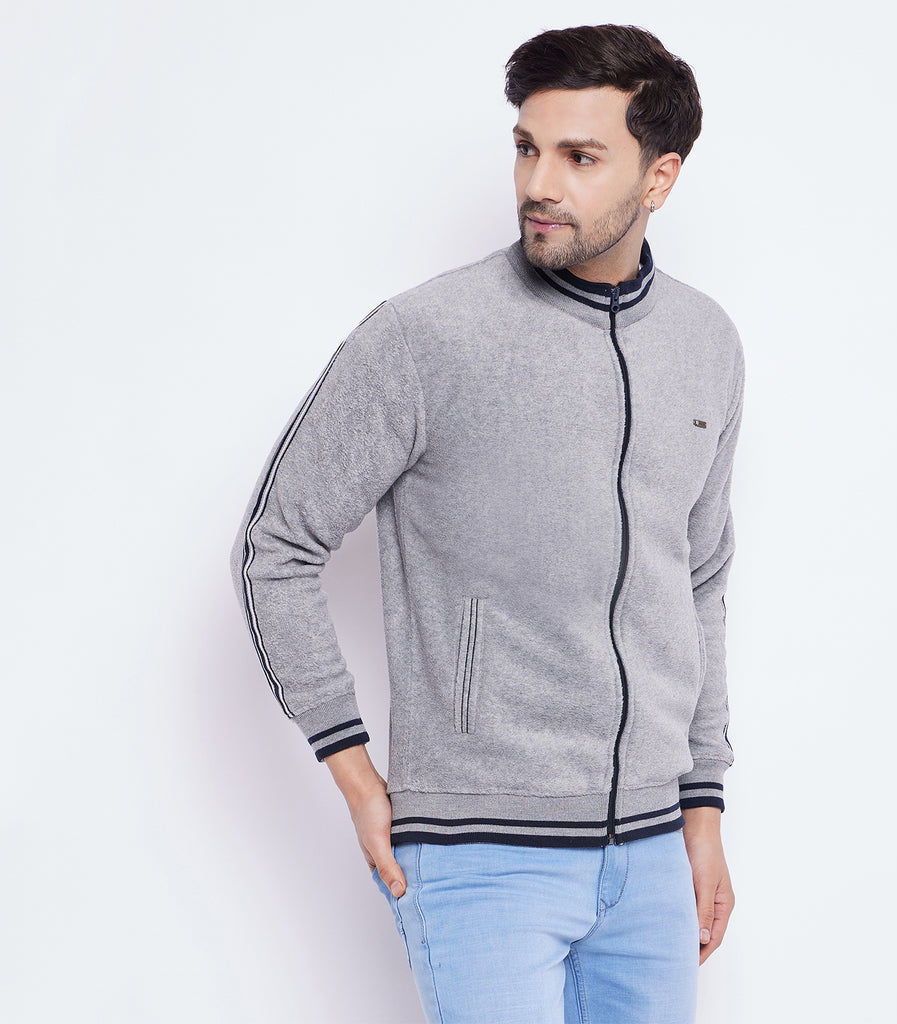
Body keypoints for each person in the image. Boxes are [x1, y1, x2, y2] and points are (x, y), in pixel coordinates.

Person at [231, 23, 743, 1024]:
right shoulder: (426, 336)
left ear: (660, 176)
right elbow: (276, 547)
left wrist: (703, 804)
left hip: (650, 852)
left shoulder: (705, 342)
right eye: (525, 147)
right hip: (480, 855)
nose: (537, 184)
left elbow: (699, 577)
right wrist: (356, 776)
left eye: (579, 157)